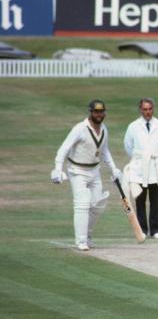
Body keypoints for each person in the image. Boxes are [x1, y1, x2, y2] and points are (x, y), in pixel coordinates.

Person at [51, 100, 122, 251]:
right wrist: (58, 168)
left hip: (94, 171)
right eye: (96, 112)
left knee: (98, 205)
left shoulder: (104, 129)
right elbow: (64, 148)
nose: (99, 114)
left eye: (101, 111)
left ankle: (88, 236)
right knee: (82, 204)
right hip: (77, 171)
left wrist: (113, 168)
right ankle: (81, 240)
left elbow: (104, 151)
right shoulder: (80, 128)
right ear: (90, 112)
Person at [123, 98, 158, 239]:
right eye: (145, 109)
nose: (148, 112)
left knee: (155, 201)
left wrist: (155, 157)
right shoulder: (133, 126)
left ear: (153, 109)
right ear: (140, 110)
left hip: (156, 167)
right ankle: (142, 229)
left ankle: (155, 230)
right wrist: (140, 159)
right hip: (139, 168)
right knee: (140, 200)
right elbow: (128, 146)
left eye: (150, 109)